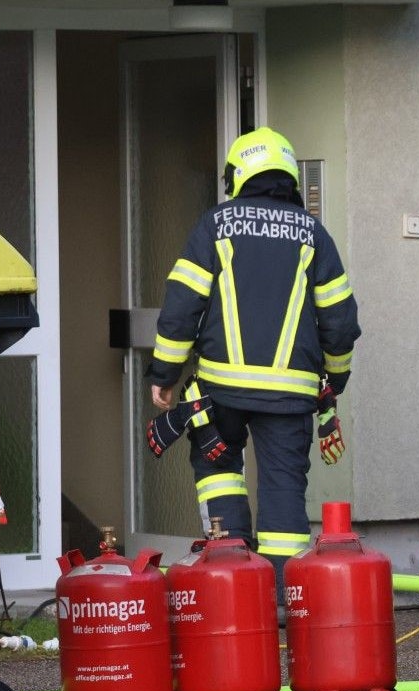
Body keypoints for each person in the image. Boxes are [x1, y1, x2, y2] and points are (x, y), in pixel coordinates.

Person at [146, 126, 360, 607]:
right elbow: (340, 321)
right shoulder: (313, 234)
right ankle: (284, 605)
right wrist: (336, 377)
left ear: (238, 176)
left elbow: (182, 306)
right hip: (290, 397)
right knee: (285, 490)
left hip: (219, 391)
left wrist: (165, 374)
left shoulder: (215, 225)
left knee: (218, 469)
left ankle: (233, 589)